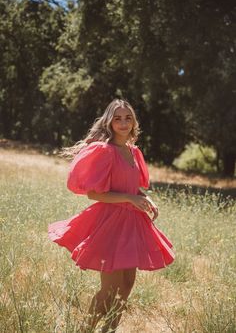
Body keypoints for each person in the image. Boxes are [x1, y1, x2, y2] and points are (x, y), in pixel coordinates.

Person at [48, 99, 175, 332]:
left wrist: (145, 198)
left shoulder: (134, 152)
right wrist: (130, 199)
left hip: (133, 223)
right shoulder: (105, 151)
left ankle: (109, 330)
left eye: (128, 117)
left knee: (126, 286)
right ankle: (85, 330)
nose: (123, 122)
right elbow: (94, 194)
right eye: (118, 118)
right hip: (110, 224)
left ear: (134, 121)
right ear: (109, 122)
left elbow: (131, 188)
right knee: (109, 291)